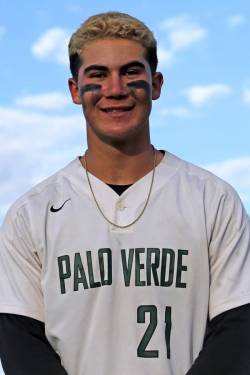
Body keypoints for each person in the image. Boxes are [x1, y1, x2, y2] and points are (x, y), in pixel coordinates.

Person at [0, 11, 250, 375]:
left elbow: (237, 330)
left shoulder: (213, 199)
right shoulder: (31, 214)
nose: (115, 89)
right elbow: (20, 343)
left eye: (131, 72)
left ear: (157, 84)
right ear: (74, 90)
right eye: (97, 75)